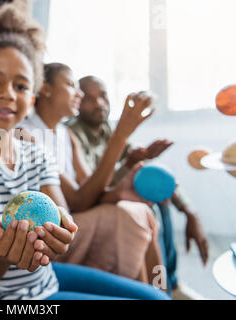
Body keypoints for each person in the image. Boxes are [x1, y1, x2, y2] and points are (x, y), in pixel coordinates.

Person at [0, 3, 169, 300]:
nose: (7, 93)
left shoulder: (36, 153)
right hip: (1, 300)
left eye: (21, 85)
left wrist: (62, 236)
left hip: (45, 281)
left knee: (156, 297)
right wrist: (0, 252)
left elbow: (62, 217)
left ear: (31, 100)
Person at [18, 63, 164, 286]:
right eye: (70, 85)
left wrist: (119, 190)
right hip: (54, 230)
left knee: (140, 209)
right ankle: (146, 290)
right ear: (45, 89)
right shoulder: (26, 134)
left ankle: (160, 290)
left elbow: (90, 189)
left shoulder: (66, 134)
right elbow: (79, 200)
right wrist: (120, 136)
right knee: (127, 217)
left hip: (78, 215)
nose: (79, 94)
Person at [67, 75, 209, 298]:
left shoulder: (107, 130)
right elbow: (93, 189)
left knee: (158, 197)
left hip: (111, 197)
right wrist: (128, 165)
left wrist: (190, 210)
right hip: (89, 207)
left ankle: (171, 283)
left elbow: (143, 170)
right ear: (76, 101)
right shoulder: (72, 134)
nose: (99, 104)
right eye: (89, 98)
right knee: (146, 209)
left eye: (103, 95)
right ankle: (162, 287)